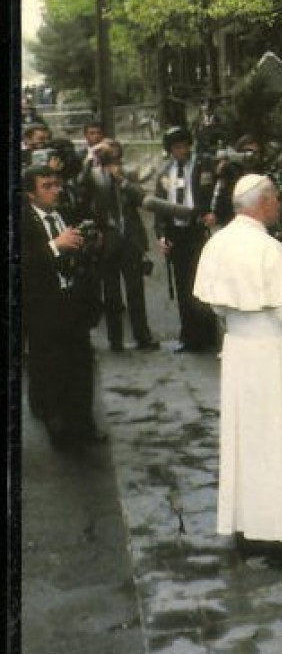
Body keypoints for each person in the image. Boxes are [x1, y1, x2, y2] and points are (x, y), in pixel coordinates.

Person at [193, 173, 282, 557]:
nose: (280, 206)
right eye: (277, 199)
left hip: (239, 351)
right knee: (278, 439)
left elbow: (217, 305)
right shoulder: (269, 249)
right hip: (272, 355)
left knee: (248, 441)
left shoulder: (217, 243)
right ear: (263, 202)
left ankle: (249, 530)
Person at [21, 164, 106, 448]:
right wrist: (55, 246)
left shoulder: (65, 213)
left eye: (56, 184)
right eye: (47, 186)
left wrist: (88, 245)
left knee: (81, 366)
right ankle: (59, 429)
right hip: (44, 307)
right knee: (53, 369)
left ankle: (84, 424)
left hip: (74, 303)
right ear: (31, 194)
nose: (56, 191)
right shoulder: (24, 222)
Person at [83, 139, 158, 353]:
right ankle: (115, 340)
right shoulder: (94, 176)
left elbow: (141, 197)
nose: (112, 162)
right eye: (108, 157)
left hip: (130, 240)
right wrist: (89, 158)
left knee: (136, 292)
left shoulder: (128, 174)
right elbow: (81, 185)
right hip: (107, 241)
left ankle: (142, 336)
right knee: (112, 294)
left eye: (115, 157)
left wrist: (122, 181)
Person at [154, 126, 218, 352]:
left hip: (196, 229)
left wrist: (212, 212)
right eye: (176, 147)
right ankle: (189, 335)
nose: (181, 150)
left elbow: (217, 192)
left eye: (184, 145)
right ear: (170, 150)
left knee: (201, 281)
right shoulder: (165, 173)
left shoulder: (203, 166)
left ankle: (207, 333)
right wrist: (161, 234)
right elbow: (160, 206)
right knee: (182, 285)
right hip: (176, 233)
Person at [208, 133, 264, 228]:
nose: (250, 156)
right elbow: (217, 195)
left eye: (255, 153)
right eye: (247, 151)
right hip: (228, 221)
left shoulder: (261, 175)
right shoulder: (229, 170)